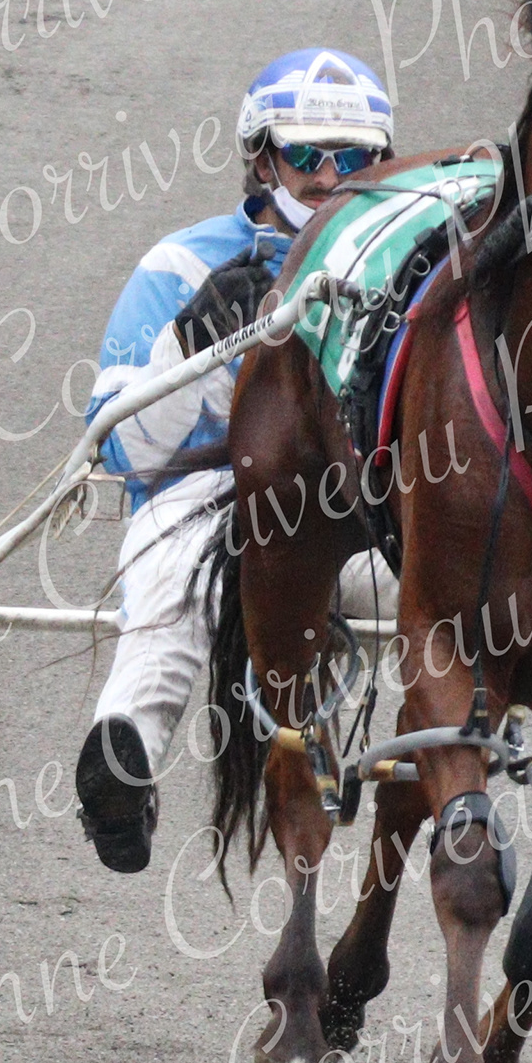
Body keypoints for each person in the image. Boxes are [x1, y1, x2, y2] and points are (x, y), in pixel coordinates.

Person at [73, 49, 394, 871]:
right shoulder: (179, 265)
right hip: (211, 504)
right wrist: (189, 341)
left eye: (354, 157)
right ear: (261, 157)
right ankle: (122, 765)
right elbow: (128, 451)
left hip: (363, 517)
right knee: (171, 577)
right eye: (307, 154)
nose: (330, 176)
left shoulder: (409, 270)